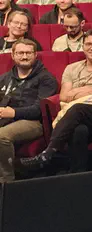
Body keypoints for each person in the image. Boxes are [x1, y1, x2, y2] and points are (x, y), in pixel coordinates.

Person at [20, 29, 92, 173]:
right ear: (83, 46)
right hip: (76, 114)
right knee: (79, 131)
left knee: (79, 108)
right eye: (88, 44)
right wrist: (81, 95)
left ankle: (49, 153)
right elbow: (64, 96)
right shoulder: (72, 68)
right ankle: (79, 175)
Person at [0, 39, 58, 182]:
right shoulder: (5, 78)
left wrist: (14, 112)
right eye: (20, 53)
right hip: (6, 118)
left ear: (35, 55)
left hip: (33, 122)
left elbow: (39, 110)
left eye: (28, 53)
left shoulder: (46, 79)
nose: (24, 56)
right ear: (13, 55)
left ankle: (6, 181)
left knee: (1, 136)